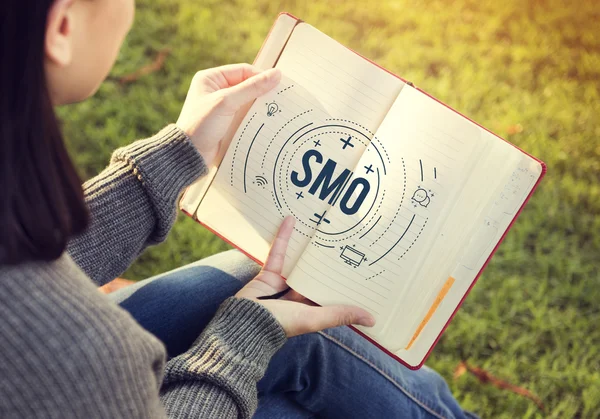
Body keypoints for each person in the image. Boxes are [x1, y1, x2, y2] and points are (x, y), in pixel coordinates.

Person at [0, 0, 476, 418]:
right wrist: (240, 340)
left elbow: (23, 256)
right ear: (62, 27)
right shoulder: (81, 349)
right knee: (293, 354)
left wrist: (173, 157)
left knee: (250, 285)